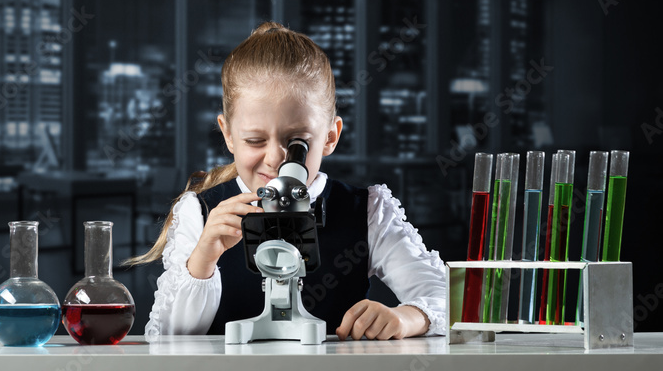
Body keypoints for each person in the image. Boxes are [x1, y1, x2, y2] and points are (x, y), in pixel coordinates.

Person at [127, 22, 446, 340]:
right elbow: (168, 337)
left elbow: (446, 297)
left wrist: (407, 317)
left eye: (296, 142)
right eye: (254, 140)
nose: (275, 159)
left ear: (330, 137)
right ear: (228, 135)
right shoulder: (199, 214)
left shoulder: (367, 211)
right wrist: (203, 260)